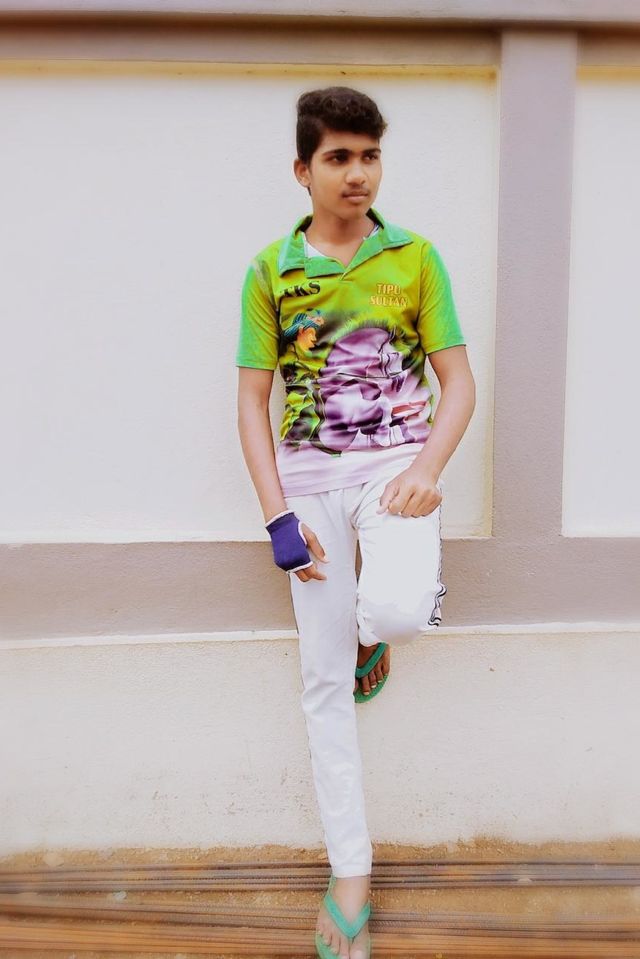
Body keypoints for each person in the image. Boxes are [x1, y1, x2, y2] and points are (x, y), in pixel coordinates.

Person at [236, 86, 476, 959]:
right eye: (338, 157)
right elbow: (251, 403)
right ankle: (351, 872)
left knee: (400, 610)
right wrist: (278, 519)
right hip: (308, 483)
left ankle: (373, 631)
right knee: (323, 679)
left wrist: (427, 469)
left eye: (369, 155)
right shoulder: (270, 271)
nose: (358, 173)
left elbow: (459, 382)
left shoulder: (415, 259)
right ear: (303, 170)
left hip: (393, 473)